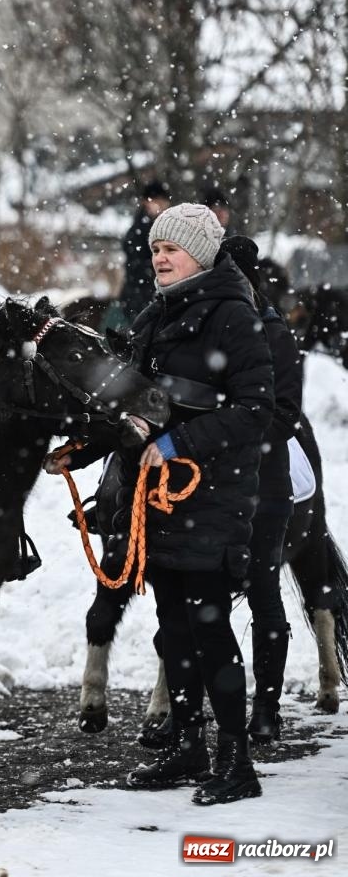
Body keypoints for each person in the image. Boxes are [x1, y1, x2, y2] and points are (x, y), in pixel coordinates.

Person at [118, 204, 274, 805]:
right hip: (161, 498)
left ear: (201, 256)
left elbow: (255, 410)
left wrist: (179, 442)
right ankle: (188, 745)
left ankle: (236, 761)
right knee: (173, 629)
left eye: (172, 249)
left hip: (214, 494)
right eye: (155, 249)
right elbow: (137, 396)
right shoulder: (156, 313)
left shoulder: (234, 315)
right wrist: (89, 447)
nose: (159, 258)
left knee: (208, 628)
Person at [220, 236, 302, 744]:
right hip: (215, 485)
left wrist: (227, 435)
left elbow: (285, 414)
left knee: (263, 594)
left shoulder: (274, 332)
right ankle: (210, 705)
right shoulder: (215, 323)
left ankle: (267, 706)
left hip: (264, 486)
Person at [119, 180, 171, 324]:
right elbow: (138, 267)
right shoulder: (139, 230)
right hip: (139, 298)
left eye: (164, 201)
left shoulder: (163, 227)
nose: (161, 205)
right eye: (157, 201)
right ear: (145, 202)